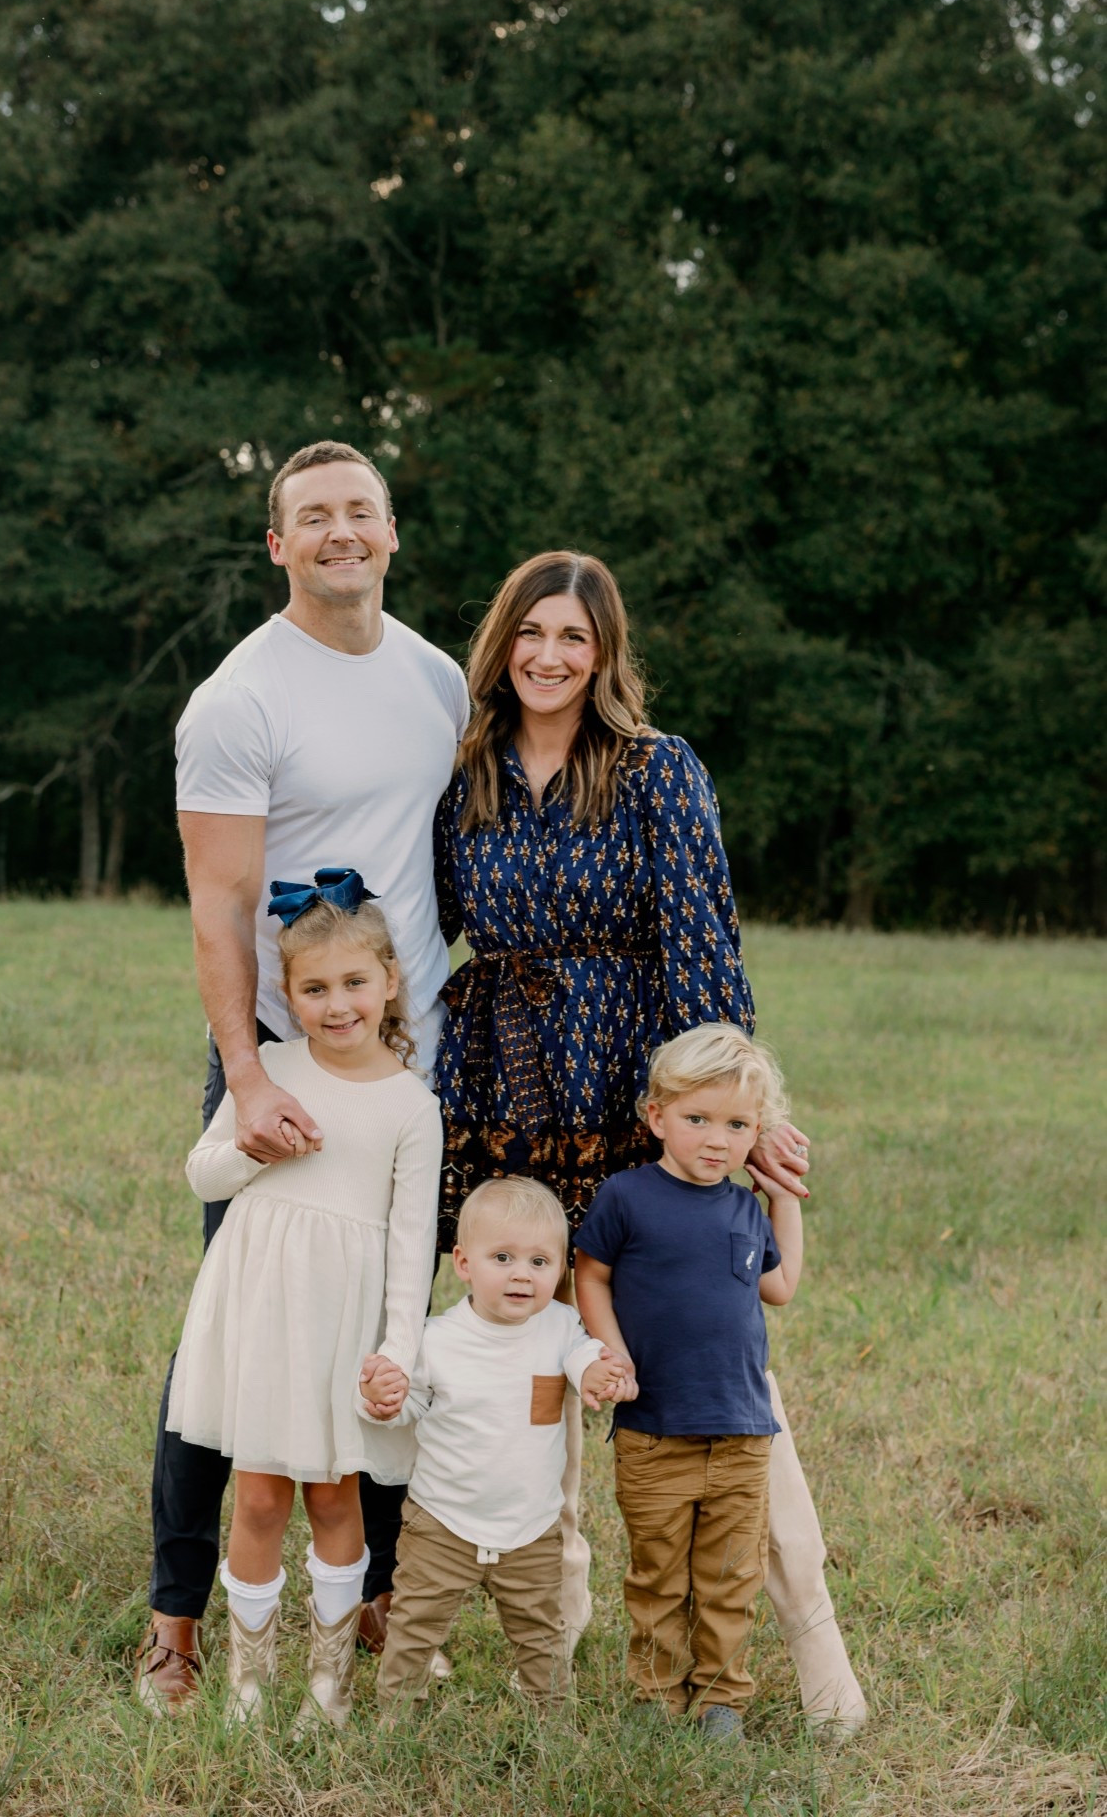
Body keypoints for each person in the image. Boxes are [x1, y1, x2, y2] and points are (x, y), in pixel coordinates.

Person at [431, 550, 867, 1732]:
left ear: (604, 652)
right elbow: (433, 929)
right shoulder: (464, 774)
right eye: (531, 632)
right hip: (507, 1094)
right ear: (502, 643)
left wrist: (739, 1118)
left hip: (638, 1099)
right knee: (549, 1359)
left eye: (573, 637)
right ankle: (560, 1644)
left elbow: (703, 944)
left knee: (716, 1369)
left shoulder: (656, 769)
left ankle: (814, 1645)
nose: (549, 656)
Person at [136, 440, 469, 1717]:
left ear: (392, 530)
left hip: (405, 1067)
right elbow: (219, 905)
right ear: (277, 544)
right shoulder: (239, 698)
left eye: (359, 511)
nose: (340, 531)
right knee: (231, 1341)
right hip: (281, 1064)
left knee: (382, 1324)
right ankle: (175, 1622)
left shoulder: (435, 676)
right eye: (312, 516)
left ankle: (367, 1591)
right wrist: (244, 1075)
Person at [166, 874, 442, 1728]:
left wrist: (398, 1351)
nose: (336, 1004)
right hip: (261, 1308)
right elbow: (202, 1174)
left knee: (331, 1496)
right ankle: (248, 1687)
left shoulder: (412, 1106)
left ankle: (329, 1689)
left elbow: (412, 1244)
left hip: (342, 1326)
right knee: (256, 1496)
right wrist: (256, 1147)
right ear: (288, 996)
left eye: (354, 982)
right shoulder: (270, 1071)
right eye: (314, 988)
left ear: (389, 981)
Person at [575, 1024, 804, 1742]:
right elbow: (590, 1276)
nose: (716, 1140)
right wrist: (612, 1353)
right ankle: (655, 1691)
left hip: (740, 1431)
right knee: (657, 1573)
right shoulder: (626, 1197)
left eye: (737, 1126)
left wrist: (784, 1199)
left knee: (731, 1576)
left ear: (756, 1133)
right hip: (653, 1430)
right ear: (657, 1117)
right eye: (697, 1119)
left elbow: (781, 1288)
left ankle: (720, 1699)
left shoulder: (743, 1210)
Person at [365, 1177, 634, 1706]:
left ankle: (550, 1724)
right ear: (464, 1263)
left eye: (540, 1262)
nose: (522, 1274)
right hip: (442, 1522)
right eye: (503, 1258)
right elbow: (409, 1405)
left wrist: (598, 1373)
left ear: (561, 1270)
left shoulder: (561, 1327)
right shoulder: (437, 1340)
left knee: (542, 1637)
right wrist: (383, 1399)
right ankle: (394, 1720)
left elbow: (583, 1357)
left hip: (531, 1527)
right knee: (414, 1626)